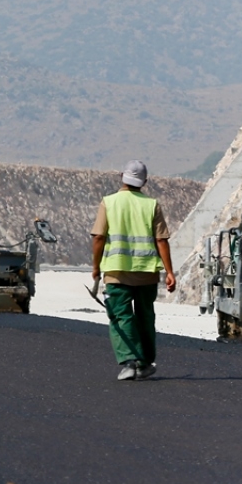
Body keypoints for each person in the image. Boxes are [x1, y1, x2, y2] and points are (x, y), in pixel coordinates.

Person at [90, 160, 177, 380]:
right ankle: (145, 363)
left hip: (117, 271)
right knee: (145, 316)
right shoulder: (152, 205)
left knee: (121, 316)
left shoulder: (109, 202)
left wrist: (96, 268)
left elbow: (99, 237)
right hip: (147, 272)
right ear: (144, 182)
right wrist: (169, 272)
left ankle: (129, 361)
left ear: (122, 177)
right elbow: (162, 240)